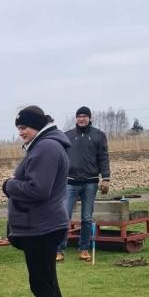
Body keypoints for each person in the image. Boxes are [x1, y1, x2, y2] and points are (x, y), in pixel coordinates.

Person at [2, 106, 70, 297]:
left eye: (24, 128)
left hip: (41, 228)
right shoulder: (49, 145)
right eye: (19, 128)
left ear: (37, 125)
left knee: (42, 287)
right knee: (49, 285)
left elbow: (38, 190)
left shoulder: (46, 148)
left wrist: (9, 185)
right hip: (45, 225)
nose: (21, 133)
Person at [58, 106, 111, 262]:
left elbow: (103, 157)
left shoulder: (98, 135)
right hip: (70, 183)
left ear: (89, 118)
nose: (82, 119)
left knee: (86, 218)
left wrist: (106, 178)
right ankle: (59, 250)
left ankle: (84, 249)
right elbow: (60, 158)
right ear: (76, 118)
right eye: (79, 116)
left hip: (90, 183)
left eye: (84, 116)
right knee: (64, 217)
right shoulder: (67, 136)